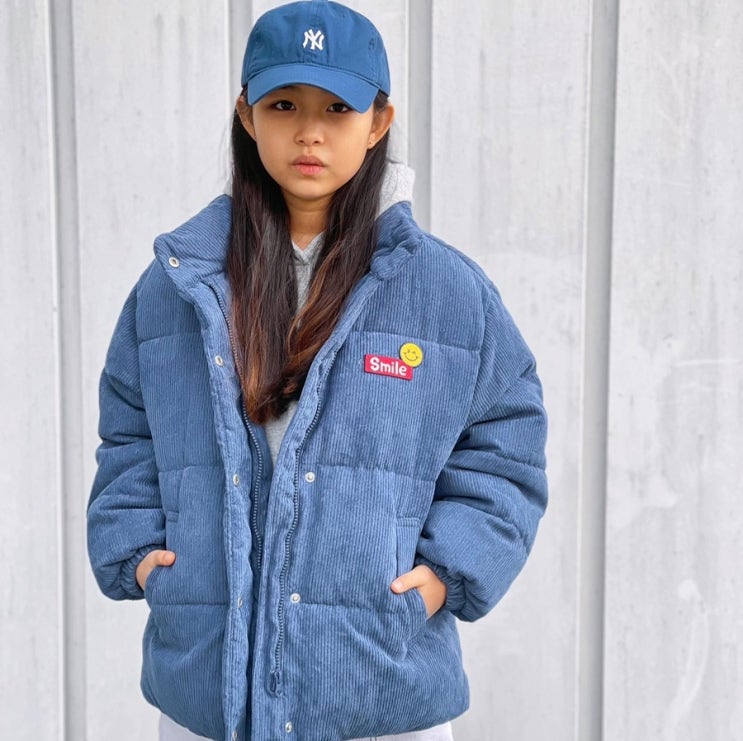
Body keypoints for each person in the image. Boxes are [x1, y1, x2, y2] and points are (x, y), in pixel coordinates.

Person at [86, 2, 549, 740]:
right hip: (210, 696)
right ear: (247, 115)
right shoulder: (178, 285)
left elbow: (506, 442)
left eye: (338, 108)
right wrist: (143, 558)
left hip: (379, 689)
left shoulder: (447, 291)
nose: (310, 131)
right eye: (284, 105)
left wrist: (444, 575)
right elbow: (129, 428)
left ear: (378, 122)